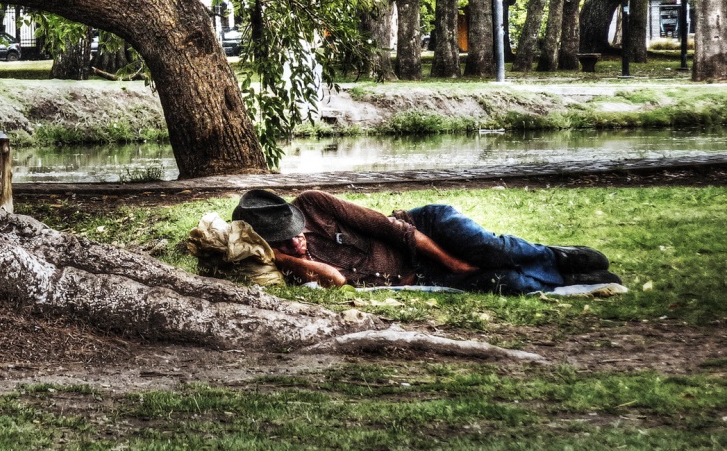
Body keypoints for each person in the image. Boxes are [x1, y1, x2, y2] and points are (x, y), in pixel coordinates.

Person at [231, 189, 618, 294]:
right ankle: (572, 282)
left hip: (426, 230)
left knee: (488, 250)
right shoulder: (288, 270)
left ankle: (556, 257)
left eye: (295, 231)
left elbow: (391, 228)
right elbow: (337, 280)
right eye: (284, 242)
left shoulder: (314, 204)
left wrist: (453, 263)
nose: (296, 241)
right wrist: (286, 260)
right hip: (419, 274)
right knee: (507, 283)